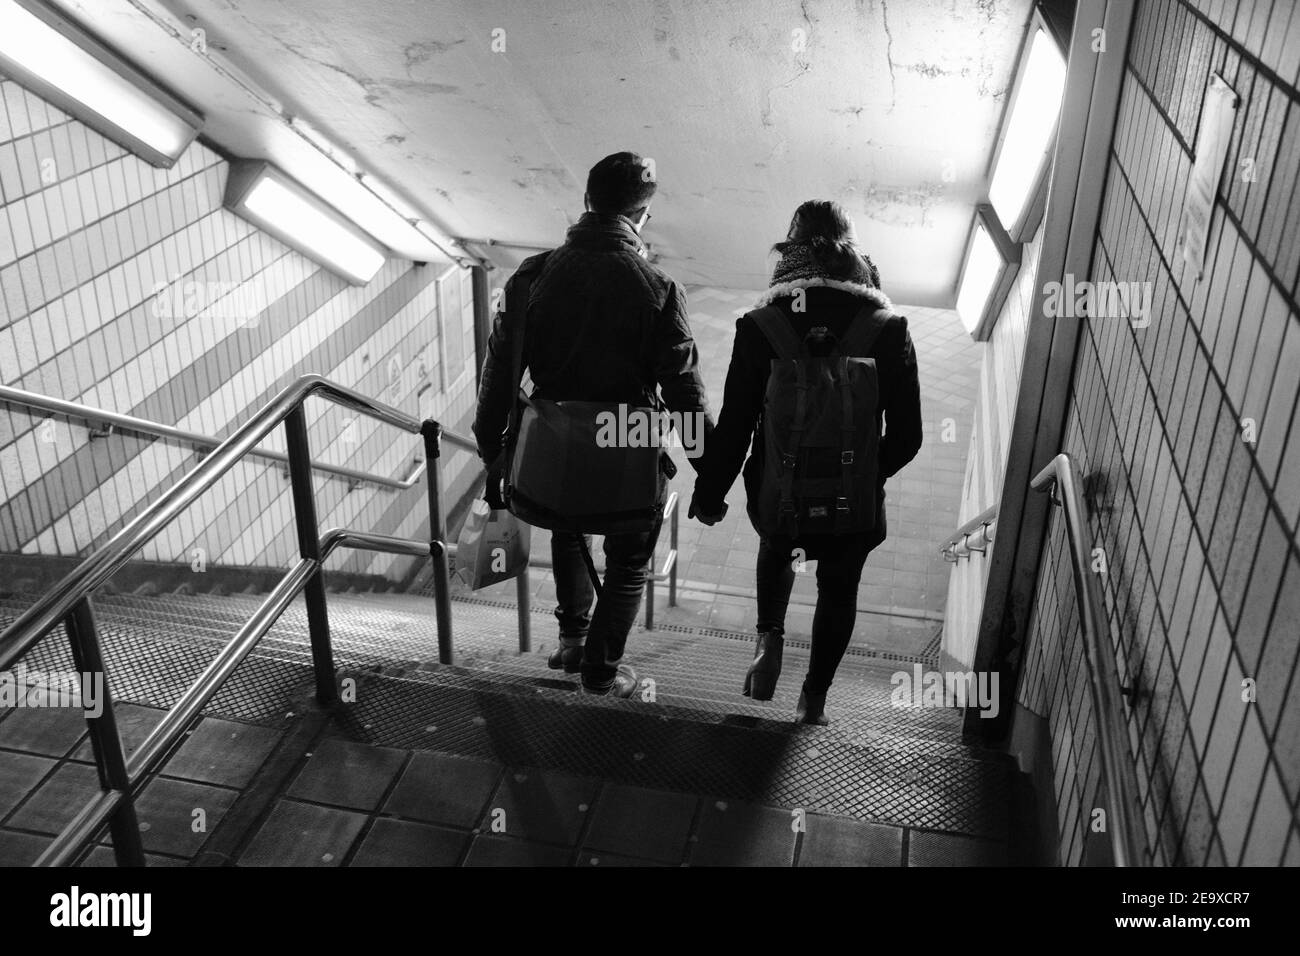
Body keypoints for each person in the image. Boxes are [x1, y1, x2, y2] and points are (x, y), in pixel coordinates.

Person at [473, 152, 714, 698]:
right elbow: (684, 395)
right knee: (628, 562)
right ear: (643, 215)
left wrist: (493, 448)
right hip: (625, 445)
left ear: (586, 202)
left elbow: (498, 374)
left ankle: (573, 641)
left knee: (568, 526)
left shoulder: (532, 276)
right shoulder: (659, 287)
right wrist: (712, 475)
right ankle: (601, 672)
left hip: (552, 450)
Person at [689, 200, 921, 724]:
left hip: (781, 496)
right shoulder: (887, 326)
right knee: (840, 589)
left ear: (790, 253)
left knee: (780, 548)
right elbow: (909, 438)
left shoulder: (760, 325)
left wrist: (708, 497)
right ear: (854, 254)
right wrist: (863, 474)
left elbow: (734, 427)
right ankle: (812, 700)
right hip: (851, 509)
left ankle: (769, 640)